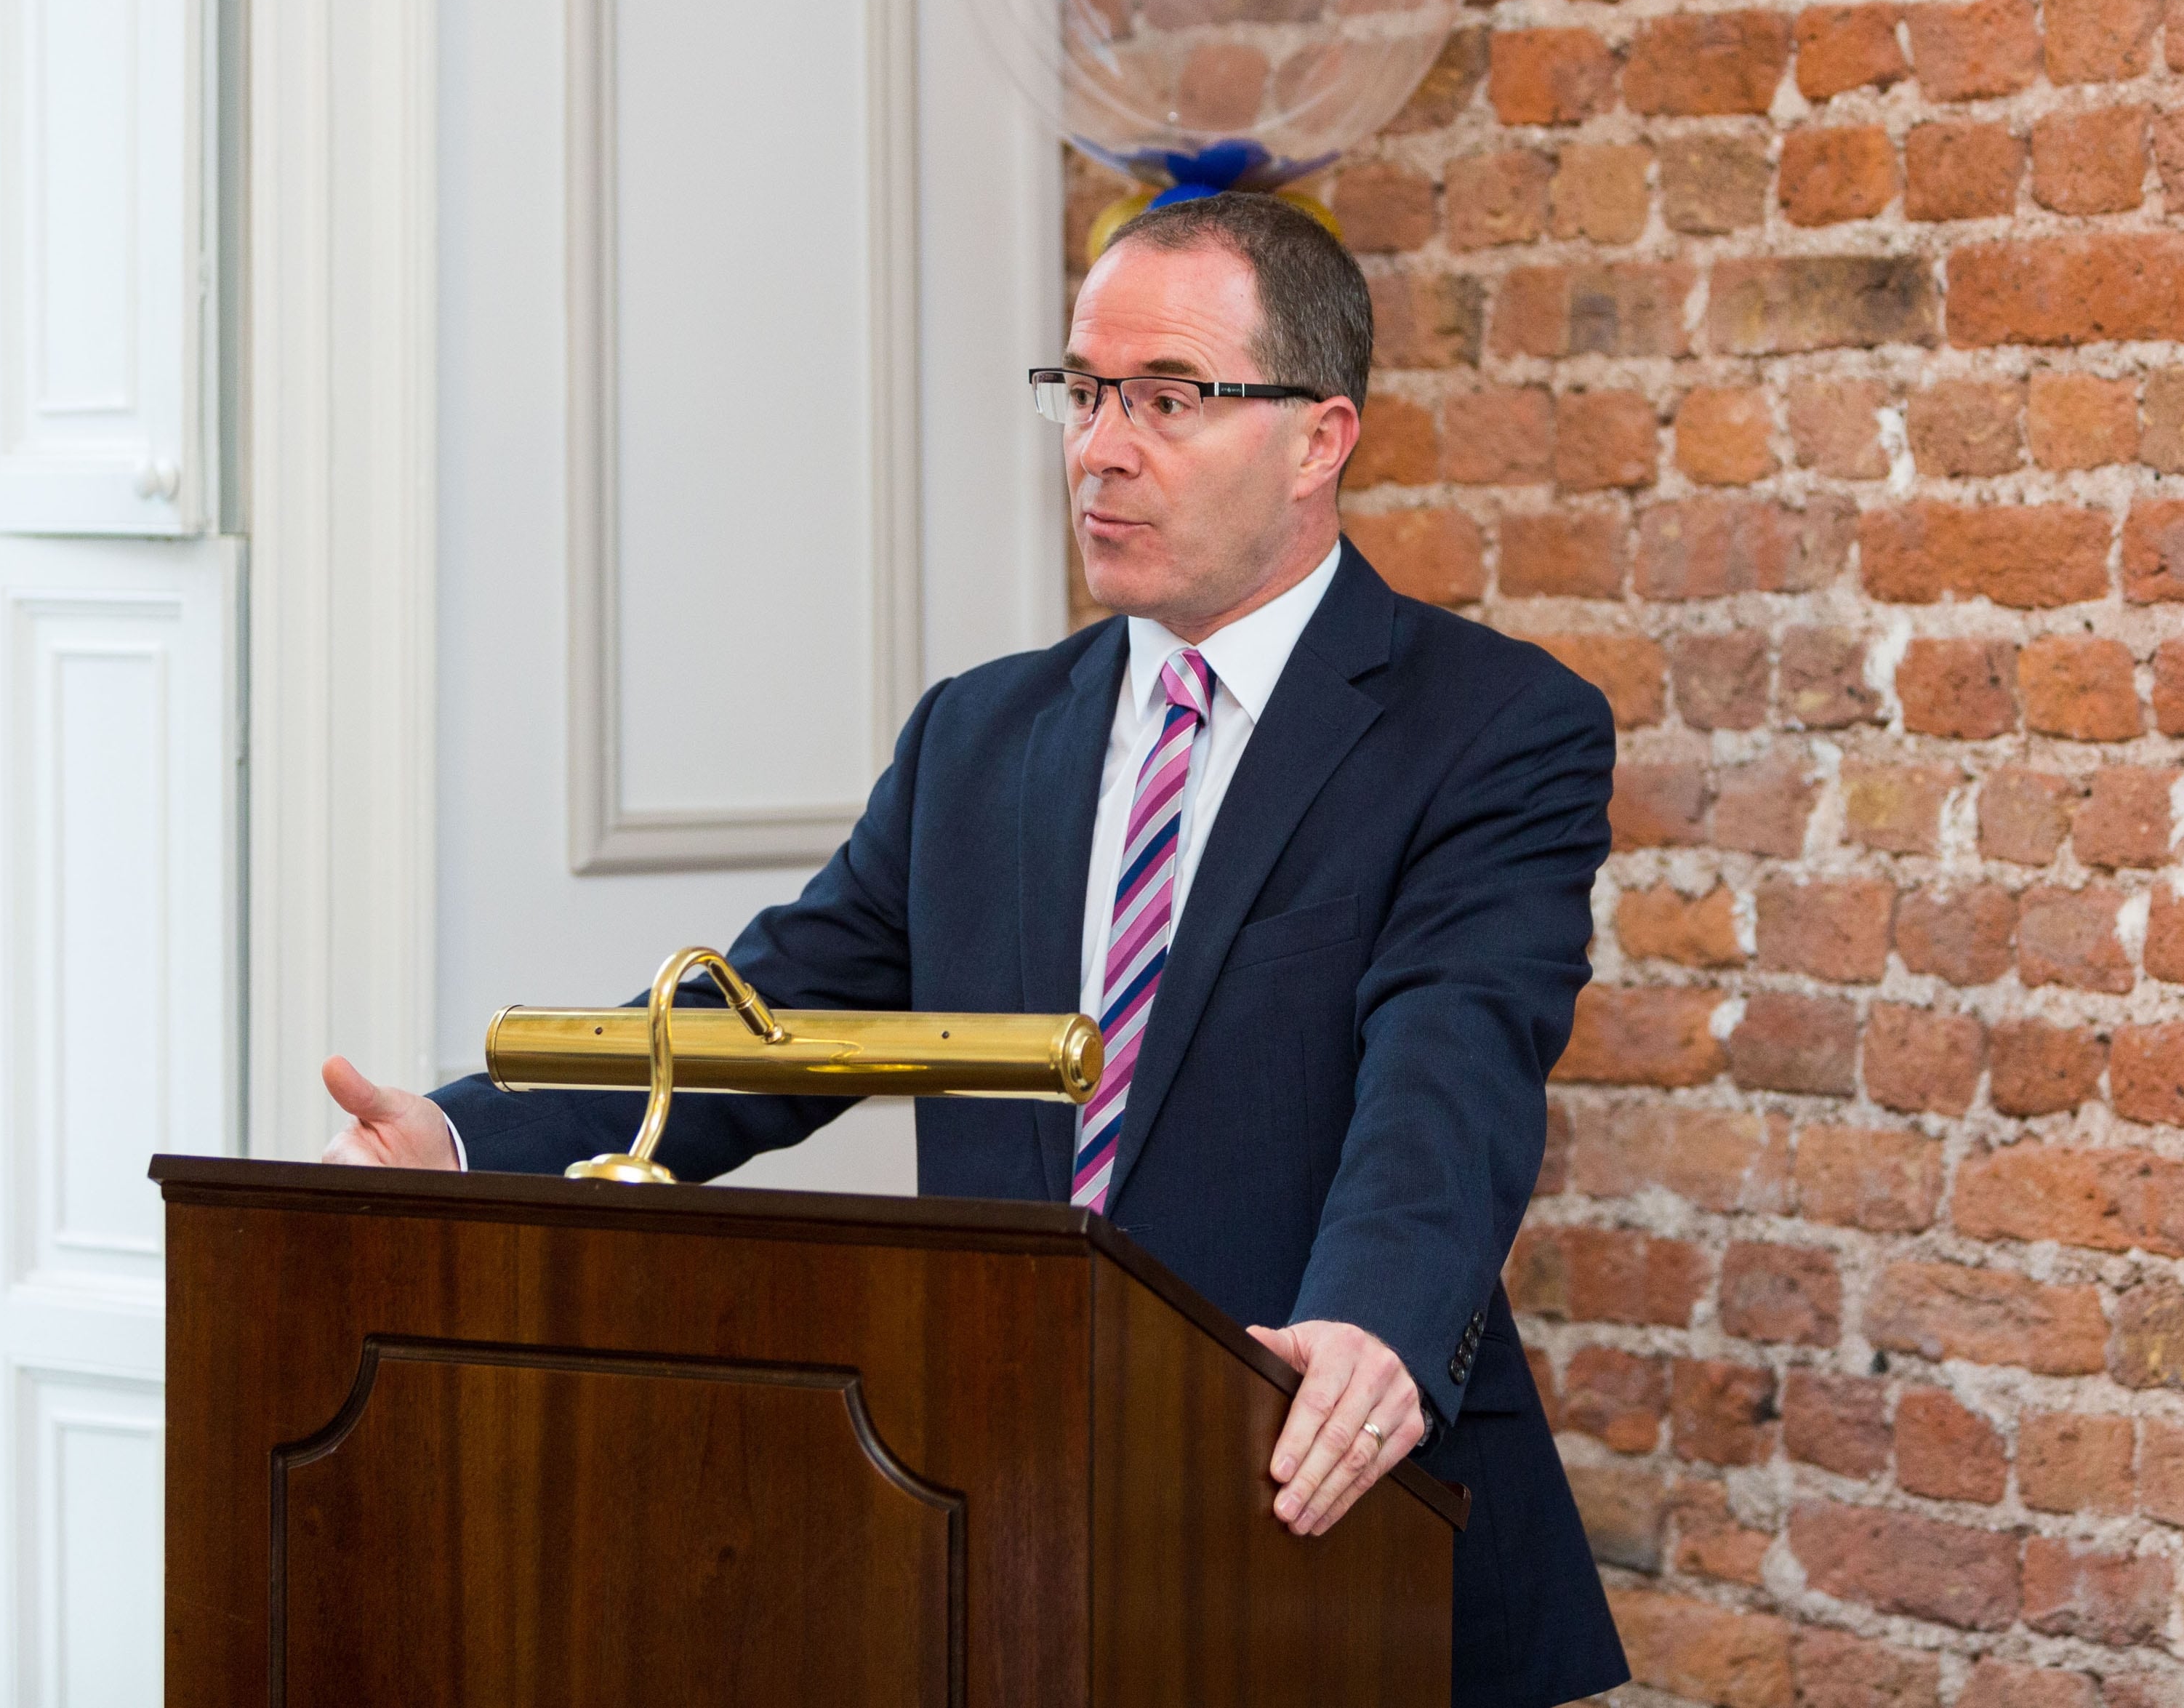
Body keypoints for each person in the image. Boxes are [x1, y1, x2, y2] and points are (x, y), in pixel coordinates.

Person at [321, 192, 1628, 1708]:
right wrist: (467, 1145)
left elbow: (1449, 1057)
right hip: (1002, 1532)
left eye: (1166, 399)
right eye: (1079, 393)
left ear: (1318, 438)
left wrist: (1369, 1327)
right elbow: (773, 1016)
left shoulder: (1490, 728)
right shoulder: (980, 733)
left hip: (1330, 1515)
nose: (1098, 447)